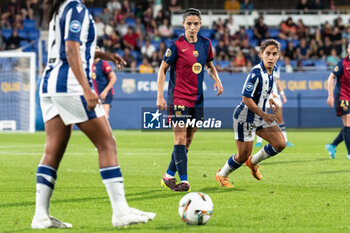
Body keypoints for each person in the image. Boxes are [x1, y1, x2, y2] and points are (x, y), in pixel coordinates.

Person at [31, 0, 155, 229]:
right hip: (71, 86)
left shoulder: (61, 8)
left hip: (49, 86)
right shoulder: (76, 8)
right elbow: (70, 49)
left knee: (53, 151)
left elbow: (76, 48)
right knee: (107, 143)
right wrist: (87, 89)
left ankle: (41, 216)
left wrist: (105, 54)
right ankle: (120, 212)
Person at [156, 8, 223, 192]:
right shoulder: (176, 46)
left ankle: (168, 175)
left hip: (197, 99)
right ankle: (184, 181)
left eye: (196, 24)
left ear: (200, 25)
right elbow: (162, 69)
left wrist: (216, 79)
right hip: (178, 98)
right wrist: (160, 95)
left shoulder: (206, 44)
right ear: (183, 24)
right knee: (179, 138)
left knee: (188, 139)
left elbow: (209, 65)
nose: (192, 27)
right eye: (189, 24)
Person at [216, 39, 286, 188]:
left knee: (280, 144)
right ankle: (222, 174)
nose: (271, 57)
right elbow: (246, 98)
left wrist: (270, 99)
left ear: (278, 56)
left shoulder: (274, 70)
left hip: (260, 116)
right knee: (242, 156)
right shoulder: (256, 73)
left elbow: (265, 90)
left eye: (274, 54)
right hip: (245, 117)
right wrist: (264, 114)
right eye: (268, 53)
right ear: (261, 55)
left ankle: (252, 163)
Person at [255, 67, 293, 148]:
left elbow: (277, 81)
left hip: (275, 97)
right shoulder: (258, 68)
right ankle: (259, 142)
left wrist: (282, 94)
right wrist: (270, 93)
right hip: (264, 96)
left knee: (280, 119)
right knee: (261, 118)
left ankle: (285, 140)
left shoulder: (276, 68)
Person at [326, 42, 350, 160]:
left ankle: (332, 145)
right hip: (342, 97)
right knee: (348, 123)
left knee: (348, 126)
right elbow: (331, 78)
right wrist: (330, 95)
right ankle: (349, 153)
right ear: (347, 50)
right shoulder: (342, 63)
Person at [92, 48, 117, 118]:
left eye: (97, 52)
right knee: (96, 117)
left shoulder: (103, 64)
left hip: (105, 93)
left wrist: (105, 91)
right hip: (96, 94)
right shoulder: (90, 64)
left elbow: (113, 78)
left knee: (103, 116)